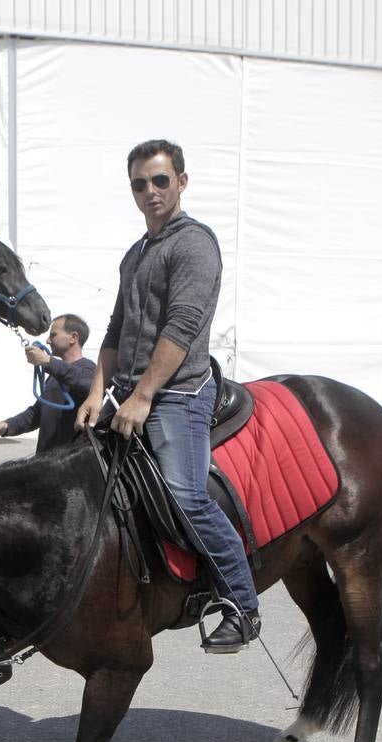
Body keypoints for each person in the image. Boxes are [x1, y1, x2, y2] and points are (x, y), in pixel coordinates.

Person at [74, 138, 260, 653]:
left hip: (178, 393)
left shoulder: (194, 244)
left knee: (186, 496)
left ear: (181, 181)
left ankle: (242, 604)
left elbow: (182, 327)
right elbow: (115, 327)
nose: (150, 191)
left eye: (160, 180)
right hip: (130, 390)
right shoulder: (135, 255)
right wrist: (97, 390)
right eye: (139, 183)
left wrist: (143, 397)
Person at [0, 314, 97, 453]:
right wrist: (7, 426)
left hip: (72, 464)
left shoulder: (88, 370)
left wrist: (47, 361)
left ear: (73, 338)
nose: (47, 341)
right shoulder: (54, 376)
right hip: (46, 462)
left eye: (53, 335)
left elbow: (86, 383)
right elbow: (37, 414)